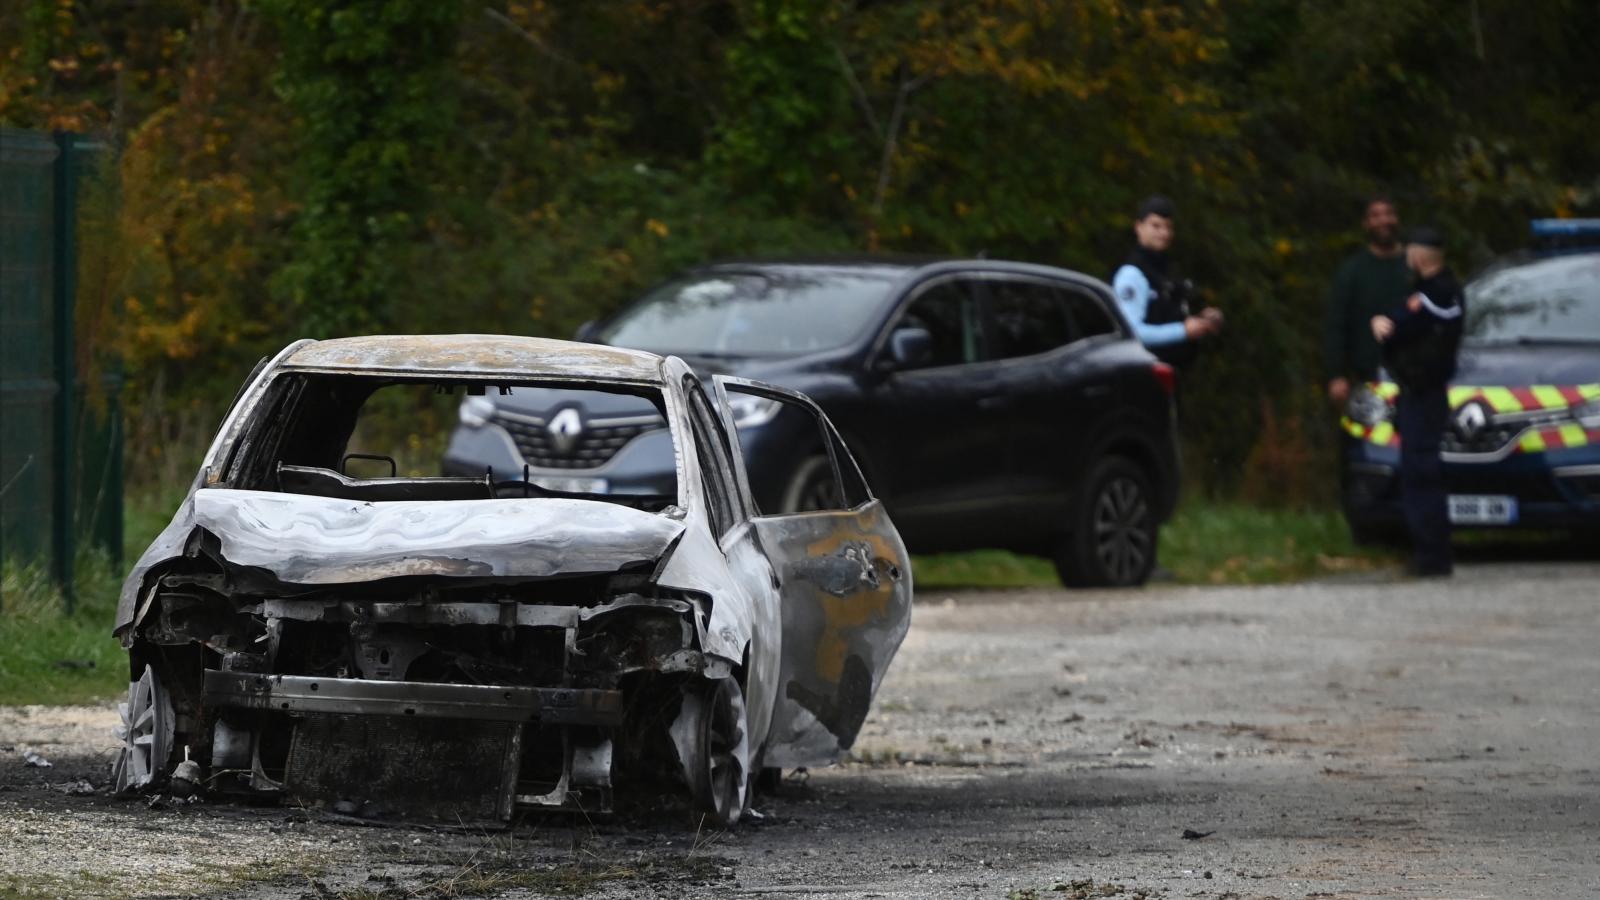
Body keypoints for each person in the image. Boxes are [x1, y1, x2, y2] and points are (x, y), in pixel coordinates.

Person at [1370, 226, 1464, 577]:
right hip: (1417, 393)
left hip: (1425, 394)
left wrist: (1384, 323)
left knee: (1421, 473)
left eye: (1410, 251)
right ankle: (1428, 551)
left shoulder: (1438, 294)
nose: (1407, 257)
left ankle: (1432, 555)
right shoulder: (1432, 292)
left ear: (1421, 255)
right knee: (1417, 470)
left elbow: (1402, 324)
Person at [1111, 195, 1223, 367]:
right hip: (1142, 373)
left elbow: (1171, 314)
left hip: (1168, 373)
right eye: (1156, 226)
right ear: (1139, 227)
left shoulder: (1166, 270)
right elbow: (1131, 331)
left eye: (1168, 227)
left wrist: (1203, 319)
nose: (1164, 233)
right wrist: (1183, 331)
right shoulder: (1132, 274)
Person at [1324, 195, 1411, 407]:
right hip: (1367, 379)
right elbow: (1336, 324)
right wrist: (1335, 375)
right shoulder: (1352, 271)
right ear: (1366, 224)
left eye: (1388, 214)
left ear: (1397, 219)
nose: (1383, 221)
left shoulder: (1415, 265)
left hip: (1415, 376)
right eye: (1375, 216)